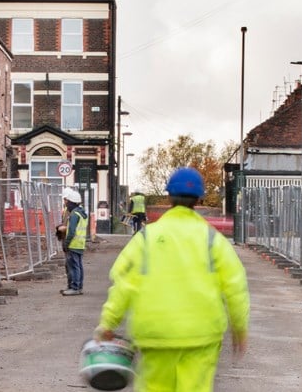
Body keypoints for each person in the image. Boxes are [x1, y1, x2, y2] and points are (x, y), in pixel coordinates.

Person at [95, 168, 250, 392]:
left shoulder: (145, 238)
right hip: (201, 336)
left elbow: (123, 284)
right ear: (200, 199)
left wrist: (108, 323)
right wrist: (240, 328)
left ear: (168, 197)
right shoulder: (212, 240)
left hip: (155, 335)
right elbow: (236, 286)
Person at [57, 188, 89, 296]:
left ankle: (74, 287)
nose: (66, 204)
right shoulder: (82, 213)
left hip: (73, 244)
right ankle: (78, 287)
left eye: (67, 201)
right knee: (78, 266)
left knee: (74, 266)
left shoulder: (74, 214)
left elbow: (71, 231)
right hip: (80, 244)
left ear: (71, 202)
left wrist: (66, 243)